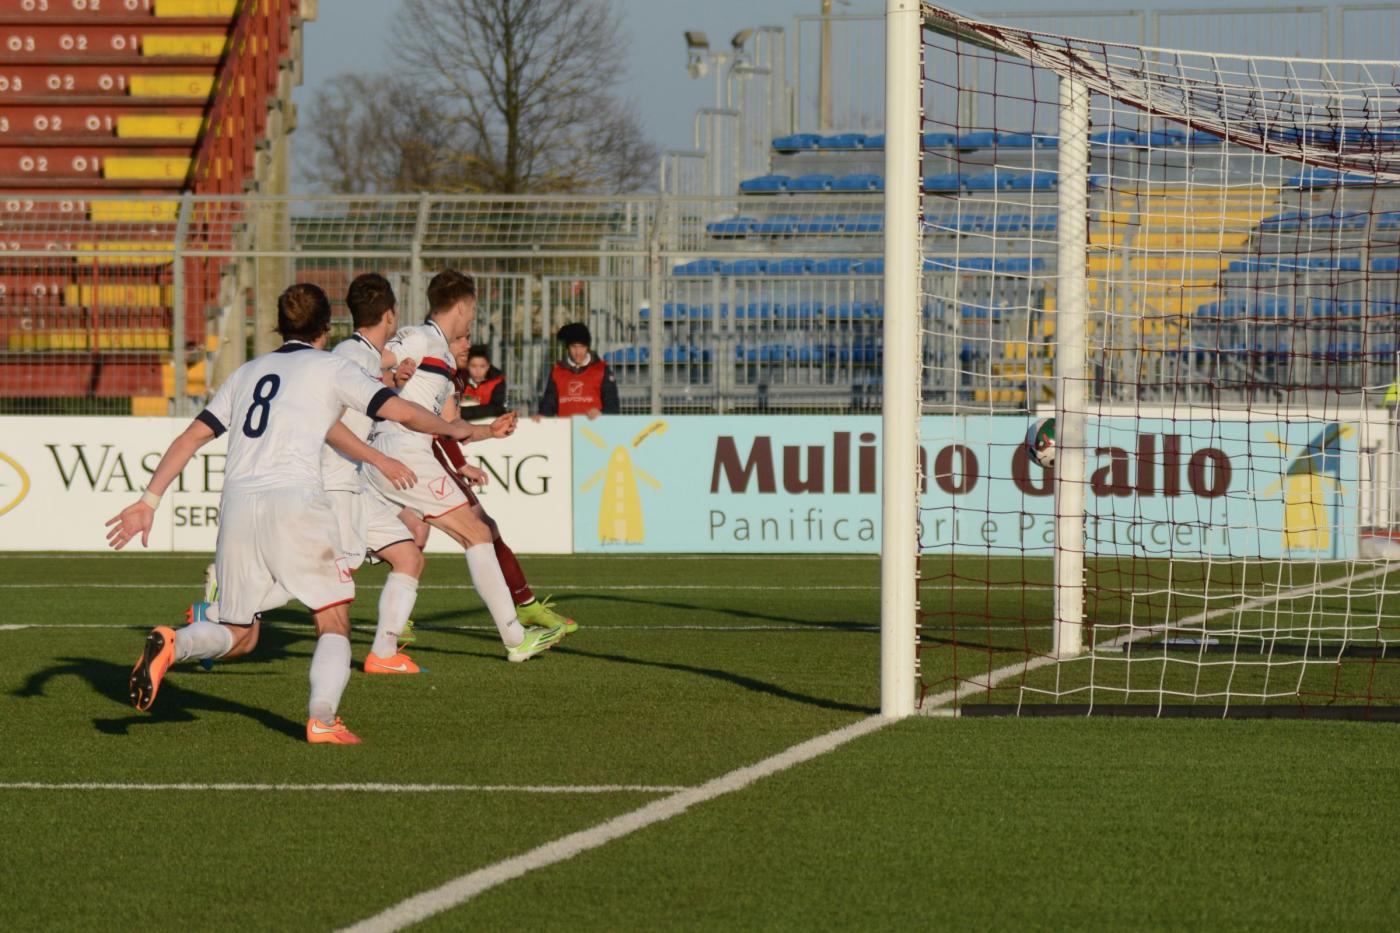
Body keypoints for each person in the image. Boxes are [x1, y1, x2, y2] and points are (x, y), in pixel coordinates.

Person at [105, 283, 476, 745]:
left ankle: (177, 643)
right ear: (326, 328)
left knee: (240, 633)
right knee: (333, 619)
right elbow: (401, 411)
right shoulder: (332, 367)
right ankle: (323, 718)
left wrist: (148, 502)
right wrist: (455, 430)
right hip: (295, 501)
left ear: (281, 326)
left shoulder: (246, 373)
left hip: (237, 507)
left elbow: (191, 438)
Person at [361, 269, 567, 662]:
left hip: (402, 451)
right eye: (472, 309)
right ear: (461, 306)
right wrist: (387, 375)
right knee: (477, 532)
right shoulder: (419, 338)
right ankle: (515, 638)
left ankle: (382, 649)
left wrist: (490, 430)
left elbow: (448, 425)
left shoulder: (440, 351)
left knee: (376, 552)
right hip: (402, 450)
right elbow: (365, 360)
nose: (473, 317)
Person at [321, 272, 433, 675]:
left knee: (408, 556)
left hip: (353, 483)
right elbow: (329, 424)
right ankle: (223, 601)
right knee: (326, 581)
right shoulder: (350, 358)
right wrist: (380, 459)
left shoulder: (362, 354)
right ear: (390, 314)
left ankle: (383, 654)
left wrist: (392, 382)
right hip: (333, 485)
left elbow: (367, 392)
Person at [432, 333, 578, 633]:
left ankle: (526, 607)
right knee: (413, 548)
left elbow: (449, 428)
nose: (467, 344)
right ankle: (516, 630)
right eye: (460, 337)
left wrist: (488, 431)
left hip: (423, 460)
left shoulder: (453, 376)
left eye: (468, 337)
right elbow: (440, 429)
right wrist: (461, 463)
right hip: (408, 462)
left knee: (480, 530)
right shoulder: (434, 372)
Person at [537, 322, 619, 419]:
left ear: (587, 347)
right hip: (566, 426)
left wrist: (601, 413)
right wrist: (542, 415)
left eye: (582, 347)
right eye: (574, 347)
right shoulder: (557, 371)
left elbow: (613, 406)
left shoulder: (602, 370)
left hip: (593, 427)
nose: (578, 352)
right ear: (568, 348)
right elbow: (549, 403)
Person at [457, 345, 509, 419]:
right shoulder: (459, 380)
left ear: (488, 366)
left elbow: (497, 408)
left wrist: (465, 412)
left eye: (482, 366)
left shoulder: (497, 381)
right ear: (467, 366)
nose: (478, 371)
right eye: (473, 366)